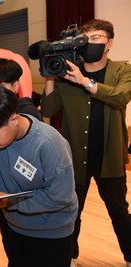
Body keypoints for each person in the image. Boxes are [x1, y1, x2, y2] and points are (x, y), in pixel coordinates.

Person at [40, 19, 131, 267]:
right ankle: (70, 257)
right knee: (71, 213)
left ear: (109, 43)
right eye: (85, 38)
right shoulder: (66, 74)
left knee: (119, 211)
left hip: (109, 157)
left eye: (97, 38)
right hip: (74, 160)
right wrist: (51, 74)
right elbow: (48, 108)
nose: (90, 43)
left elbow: (121, 97)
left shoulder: (122, 70)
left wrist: (85, 82)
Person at [0, 85, 78, 267]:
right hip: (16, 226)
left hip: (51, 231)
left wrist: (10, 201)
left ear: (14, 120)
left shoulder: (48, 143)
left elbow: (60, 196)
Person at [0, 57, 44, 256]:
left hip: (22, 193)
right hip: (0, 189)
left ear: (16, 85)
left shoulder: (28, 114)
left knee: (29, 244)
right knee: (6, 234)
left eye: (0, 86)